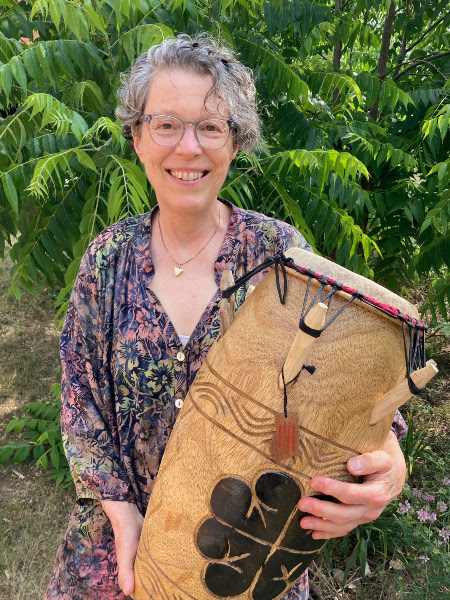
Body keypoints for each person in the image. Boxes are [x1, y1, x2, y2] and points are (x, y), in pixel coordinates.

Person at [45, 34, 407, 600]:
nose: (188, 147)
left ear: (235, 143)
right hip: (121, 555)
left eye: (210, 127)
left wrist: (389, 473)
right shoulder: (108, 259)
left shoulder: (282, 258)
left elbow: (356, 390)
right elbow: (80, 403)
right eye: (165, 124)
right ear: (137, 138)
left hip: (246, 568)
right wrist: (122, 517)